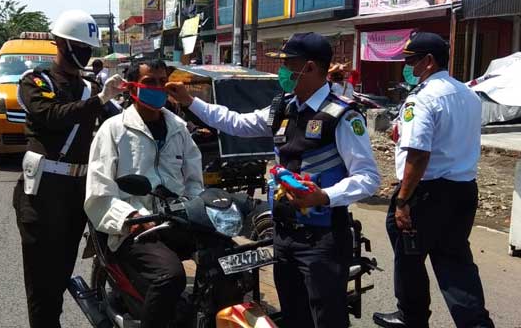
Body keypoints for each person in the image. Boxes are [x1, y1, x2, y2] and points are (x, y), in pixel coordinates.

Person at [166, 32, 380, 328]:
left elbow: (368, 178)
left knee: (327, 318)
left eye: (288, 63)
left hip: (322, 238)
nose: (282, 70)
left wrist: (324, 196)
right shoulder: (284, 106)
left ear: (310, 67)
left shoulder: (342, 114)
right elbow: (237, 123)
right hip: (284, 234)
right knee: (294, 315)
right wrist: (191, 101)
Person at [373, 32, 494, 328]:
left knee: (409, 257)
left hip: (426, 194)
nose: (408, 67)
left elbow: (418, 155)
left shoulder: (424, 97)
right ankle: (477, 324)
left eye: (410, 61)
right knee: (455, 262)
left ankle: (410, 317)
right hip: (463, 189)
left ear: (428, 61)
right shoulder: (466, 93)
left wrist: (402, 199)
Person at [13, 9, 123, 328]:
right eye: (78, 45)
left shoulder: (90, 88)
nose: (85, 53)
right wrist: (100, 98)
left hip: (76, 194)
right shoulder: (34, 81)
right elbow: (52, 115)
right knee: (40, 282)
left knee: (60, 276)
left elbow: (118, 121)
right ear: (59, 43)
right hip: (42, 194)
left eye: (88, 47)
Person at [85, 58, 204, 328]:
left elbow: (195, 179)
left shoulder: (179, 128)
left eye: (163, 82)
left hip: (176, 219)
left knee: (227, 260)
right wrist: (132, 215)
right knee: (170, 276)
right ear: (132, 87)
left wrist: (197, 205)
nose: (159, 88)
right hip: (133, 228)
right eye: (151, 82)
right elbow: (98, 193)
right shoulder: (113, 130)